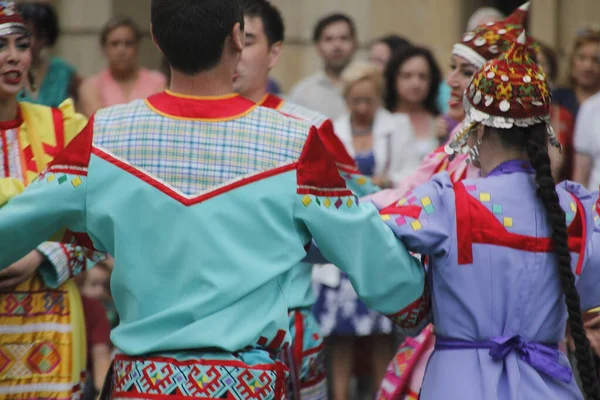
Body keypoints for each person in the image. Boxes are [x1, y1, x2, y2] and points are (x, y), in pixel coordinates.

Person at [0, 1, 428, 398]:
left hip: (142, 384)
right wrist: (425, 305)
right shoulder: (293, 142)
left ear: (155, 37)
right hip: (249, 384)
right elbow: (373, 256)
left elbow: (14, 227)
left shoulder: (105, 136)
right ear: (238, 38)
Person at [379, 31, 600, 400]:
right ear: (542, 134)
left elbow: (370, 234)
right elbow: (590, 292)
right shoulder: (576, 211)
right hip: (549, 385)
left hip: (459, 383)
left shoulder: (447, 200)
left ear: (475, 131)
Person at [233, 1, 378, 398]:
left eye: (246, 41)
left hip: (287, 325)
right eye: (226, 39)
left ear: (274, 52)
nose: (233, 52)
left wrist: (308, 245)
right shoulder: (183, 128)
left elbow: (363, 202)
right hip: (205, 334)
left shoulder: (308, 127)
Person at [0, 3, 103, 398]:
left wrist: (44, 255)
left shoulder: (62, 131)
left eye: (21, 45)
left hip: (51, 330)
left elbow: (100, 220)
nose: (13, 55)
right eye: (1, 45)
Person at [370, 2, 532, 206]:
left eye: (466, 72)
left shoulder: (499, 156)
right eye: (452, 67)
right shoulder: (458, 140)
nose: (450, 81)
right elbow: (406, 195)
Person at [78, 16, 166, 117]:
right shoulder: (91, 86)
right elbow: (98, 123)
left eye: (128, 43)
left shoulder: (158, 82)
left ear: (137, 47)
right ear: (104, 49)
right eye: (114, 44)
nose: (121, 50)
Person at [288, 13, 357, 120]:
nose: (337, 46)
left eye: (344, 38)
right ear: (317, 46)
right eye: (329, 39)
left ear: (355, 43)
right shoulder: (302, 93)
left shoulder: (371, 88)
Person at [384, 46, 442, 162]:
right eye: (407, 76)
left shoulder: (441, 122)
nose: (416, 83)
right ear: (393, 79)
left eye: (423, 77)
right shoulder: (382, 120)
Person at [17, 1, 80, 107]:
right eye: (26, 35)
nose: (33, 42)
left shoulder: (62, 71)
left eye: (40, 35)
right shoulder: (5, 68)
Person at [568, 28, 600, 186]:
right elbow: (581, 176)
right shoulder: (559, 100)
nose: (588, 66)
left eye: (596, 60)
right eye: (582, 58)